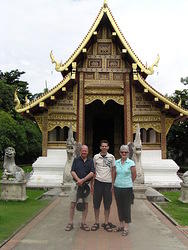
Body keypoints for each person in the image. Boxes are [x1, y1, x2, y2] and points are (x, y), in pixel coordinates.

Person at [65, 145, 95, 231]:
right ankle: (70, 222)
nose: (84, 152)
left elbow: (92, 172)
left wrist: (83, 180)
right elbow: (72, 171)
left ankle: (83, 222)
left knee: (85, 204)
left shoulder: (90, 161)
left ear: (88, 151)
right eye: (83, 150)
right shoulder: (76, 160)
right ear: (80, 151)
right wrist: (78, 180)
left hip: (86, 185)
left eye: (85, 150)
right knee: (73, 204)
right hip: (76, 184)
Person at [91, 140, 115, 232]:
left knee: (107, 204)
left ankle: (106, 222)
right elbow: (93, 171)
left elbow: (113, 170)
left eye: (106, 146)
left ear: (108, 147)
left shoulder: (111, 157)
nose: (104, 147)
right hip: (98, 182)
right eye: (103, 146)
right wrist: (92, 184)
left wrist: (113, 184)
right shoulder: (96, 157)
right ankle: (96, 222)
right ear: (100, 147)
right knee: (96, 204)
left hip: (108, 183)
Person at [112, 145, 136, 236]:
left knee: (126, 207)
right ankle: (121, 225)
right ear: (120, 153)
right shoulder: (117, 162)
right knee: (119, 207)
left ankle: (126, 227)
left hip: (127, 188)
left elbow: (134, 175)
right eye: (122, 152)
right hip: (117, 187)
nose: (124, 154)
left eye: (126, 152)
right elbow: (114, 174)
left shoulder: (131, 163)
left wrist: (129, 182)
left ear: (128, 153)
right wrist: (113, 184)